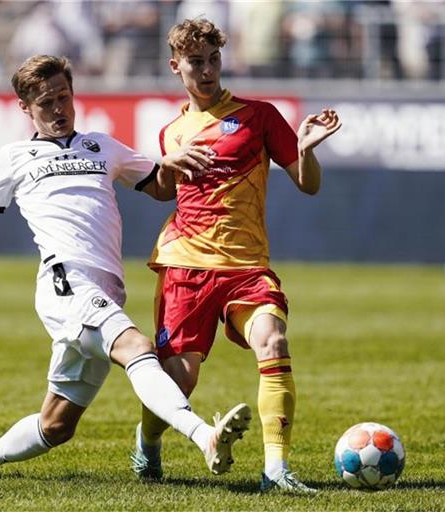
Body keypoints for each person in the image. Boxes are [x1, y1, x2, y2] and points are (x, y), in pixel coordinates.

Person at [0, 55, 251, 480]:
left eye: (64, 97)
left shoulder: (103, 145)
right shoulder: (15, 158)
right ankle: (204, 435)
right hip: (67, 285)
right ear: (25, 107)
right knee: (137, 348)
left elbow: (159, 188)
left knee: (57, 426)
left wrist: (172, 164)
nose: (58, 109)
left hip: (104, 291)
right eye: (46, 103)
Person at [130, 19, 341, 494]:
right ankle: (147, 442)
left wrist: (305, 151)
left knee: (274, 342)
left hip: (246, 267)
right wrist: (165, 165)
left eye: (213, 60)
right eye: (196, 62)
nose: (206, 71)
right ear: (175, 66)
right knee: (179, 382)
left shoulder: (259, 116)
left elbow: (309, 185)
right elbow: (163, 193)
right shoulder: (171, 132)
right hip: (186, 265)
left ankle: (276, 470)